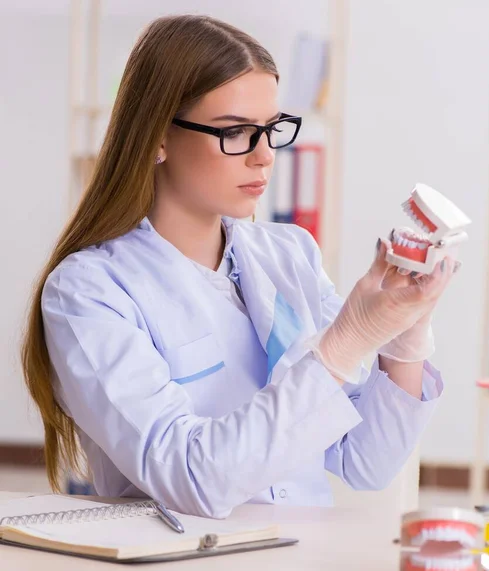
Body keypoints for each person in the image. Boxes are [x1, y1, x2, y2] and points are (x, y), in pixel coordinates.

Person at [21, 14, 458, 519]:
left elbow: (365, 460)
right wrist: (345, 343)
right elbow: (190, 478)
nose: (264, 157)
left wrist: (405, 335)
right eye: (236, 133)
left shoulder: (290, 253)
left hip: (299, 550)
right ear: (157, 137)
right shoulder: (88, 291)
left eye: (272, 130)